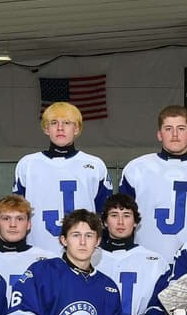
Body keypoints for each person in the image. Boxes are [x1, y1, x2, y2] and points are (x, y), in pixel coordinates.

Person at [116, 105, 187, 260]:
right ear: (159, 134)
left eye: (181, 128)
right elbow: (120, 219)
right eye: (168, 129)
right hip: (145, 260)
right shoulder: (137, 168)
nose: (175, 134)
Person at [13, 101, 113, 251]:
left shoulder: (95, 165)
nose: (60, 128)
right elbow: (17, 212)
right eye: (54, 123)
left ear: (77, 128)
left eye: (66, 122)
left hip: (82, 251)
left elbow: (104, 213)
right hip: (37, 248)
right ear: (46, 129)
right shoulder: (27, 164)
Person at [0, 194, 58, 296]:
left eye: (19, 219)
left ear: (29, 224)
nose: (13, 225)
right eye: (6, 218)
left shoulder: (48, 260)